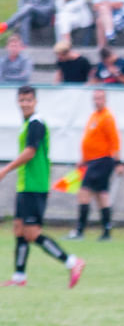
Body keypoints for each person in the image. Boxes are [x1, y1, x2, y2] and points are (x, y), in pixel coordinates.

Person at [0, 86, 86, 288]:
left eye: (28, 100)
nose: (25, 104)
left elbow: (30, 152)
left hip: (35, 185)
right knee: (19, 228)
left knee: (31, 233)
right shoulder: (27, 123)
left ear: (35, 101)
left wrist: (5, 170)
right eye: (22, 100)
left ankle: (71, 262)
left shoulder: (36, 123)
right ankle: (19, 276)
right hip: (25, 185)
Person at [67, 90, 124, 242]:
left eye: (100, 98)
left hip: (102, 160)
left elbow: (114, 141)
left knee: (84, 192)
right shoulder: (94, 116)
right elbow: (90, 139)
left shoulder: (107, 117)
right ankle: (106, 231)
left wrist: (118, 162)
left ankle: (80, 230)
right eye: (95, 98)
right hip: (92, 161)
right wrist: (83, 159)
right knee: (101, 195)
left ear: (105, 100)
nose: (97, 101)